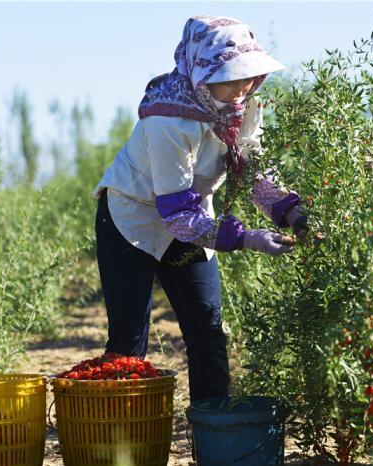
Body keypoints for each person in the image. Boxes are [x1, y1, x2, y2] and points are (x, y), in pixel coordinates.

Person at [91, 15, 308, 402]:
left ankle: (214, 435)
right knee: (128, 341)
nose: (242, 88)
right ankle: (125, 445)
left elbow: (252, 164)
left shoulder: (244, 105)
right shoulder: (169, 119)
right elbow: (176, 211)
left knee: (208, 331)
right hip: (132, 218)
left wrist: (290, 210)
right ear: (202, 74)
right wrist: (246, 239)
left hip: (193, 217)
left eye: (248, 76)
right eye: (231, 78)